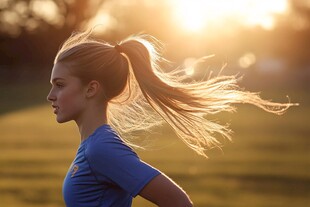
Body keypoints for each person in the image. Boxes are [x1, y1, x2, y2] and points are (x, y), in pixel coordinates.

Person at [47, 28, 296, 207]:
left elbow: (177, 202)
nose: (51, 95)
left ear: (91, 89)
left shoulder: (101, 149)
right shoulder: (93, 146)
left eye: (59, 85)